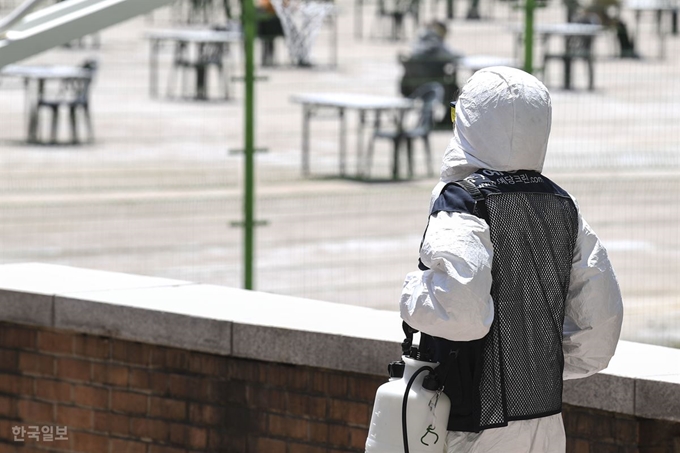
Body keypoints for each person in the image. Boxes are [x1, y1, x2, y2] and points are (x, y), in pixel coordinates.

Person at [399, 66, 624, 452]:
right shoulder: (561, 204)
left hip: (469, 426)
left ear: (471, 122)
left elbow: (460, 314)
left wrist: (411, 294)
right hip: (545, 424)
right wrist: (534, 371)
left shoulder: (462, 200)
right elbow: (601, 328)